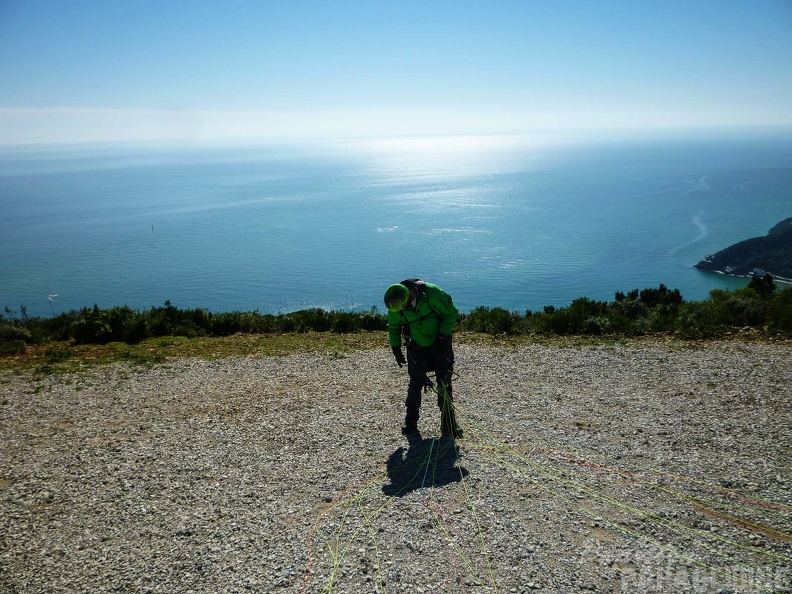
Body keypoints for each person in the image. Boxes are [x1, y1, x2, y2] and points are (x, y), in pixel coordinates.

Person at [384, 279, 463, 439]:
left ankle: (449, 424)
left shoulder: (432, 293)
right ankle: (410, 423)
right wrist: (396, 347)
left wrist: (442, 334)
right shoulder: (396, 304)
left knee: (444, 383)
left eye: (406, 307)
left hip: (441, 345)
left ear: (409, 298)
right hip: (417, 347)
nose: (404, 311)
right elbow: (393, 326)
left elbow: (451, 312)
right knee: (415, 383)